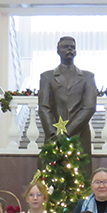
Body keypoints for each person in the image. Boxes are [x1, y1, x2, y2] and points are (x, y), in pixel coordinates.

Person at [38, 36, 98, 178]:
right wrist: (54, 134)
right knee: (51, 178)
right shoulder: (47, 77)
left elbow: (89, 107)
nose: (70, 49)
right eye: (65, 46)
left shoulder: (87, 77)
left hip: (79, 135)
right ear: (58, 51)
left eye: (72, 47)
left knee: (81, 178)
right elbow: (44, 107)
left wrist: (66, 133)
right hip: (54, 135)